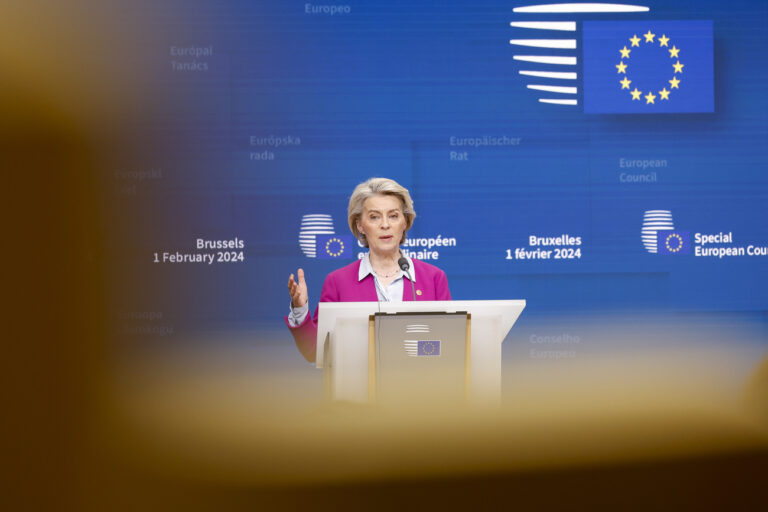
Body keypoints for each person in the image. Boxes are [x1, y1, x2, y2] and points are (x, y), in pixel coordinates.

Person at [285, 177, 451, 362]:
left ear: (405, 222)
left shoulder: (433, 278)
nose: (385, 225)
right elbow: (315, 352)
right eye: (374, 217)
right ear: (360, 225)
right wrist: (300, 310)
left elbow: (448, 345)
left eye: (394, 216)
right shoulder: (338, 281)